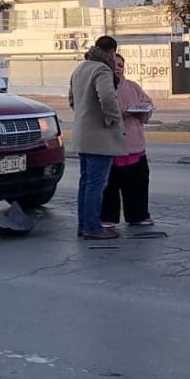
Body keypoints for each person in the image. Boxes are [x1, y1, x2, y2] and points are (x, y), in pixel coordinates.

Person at [68, 36, 127, 240]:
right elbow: (108, 97)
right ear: (112, 52)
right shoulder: (102, 69)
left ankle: (84, 225)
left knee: (86, 183)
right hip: (99, 137)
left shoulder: (80, 68)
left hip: (82, 134)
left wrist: (85, 114)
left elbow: (72, 100)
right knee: (96, 184)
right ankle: (93, 228)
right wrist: (113, 119)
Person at [100, 53, 155, 227]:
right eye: (113, 64)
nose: (117, 68)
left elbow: (147, 104)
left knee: (138, 183)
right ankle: (107, 218)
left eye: (120, 65)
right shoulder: (101, 87)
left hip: (134, 143)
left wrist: (142, 110)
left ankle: (138, 215)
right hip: (110, 144)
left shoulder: (133, 87)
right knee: (109, 185)